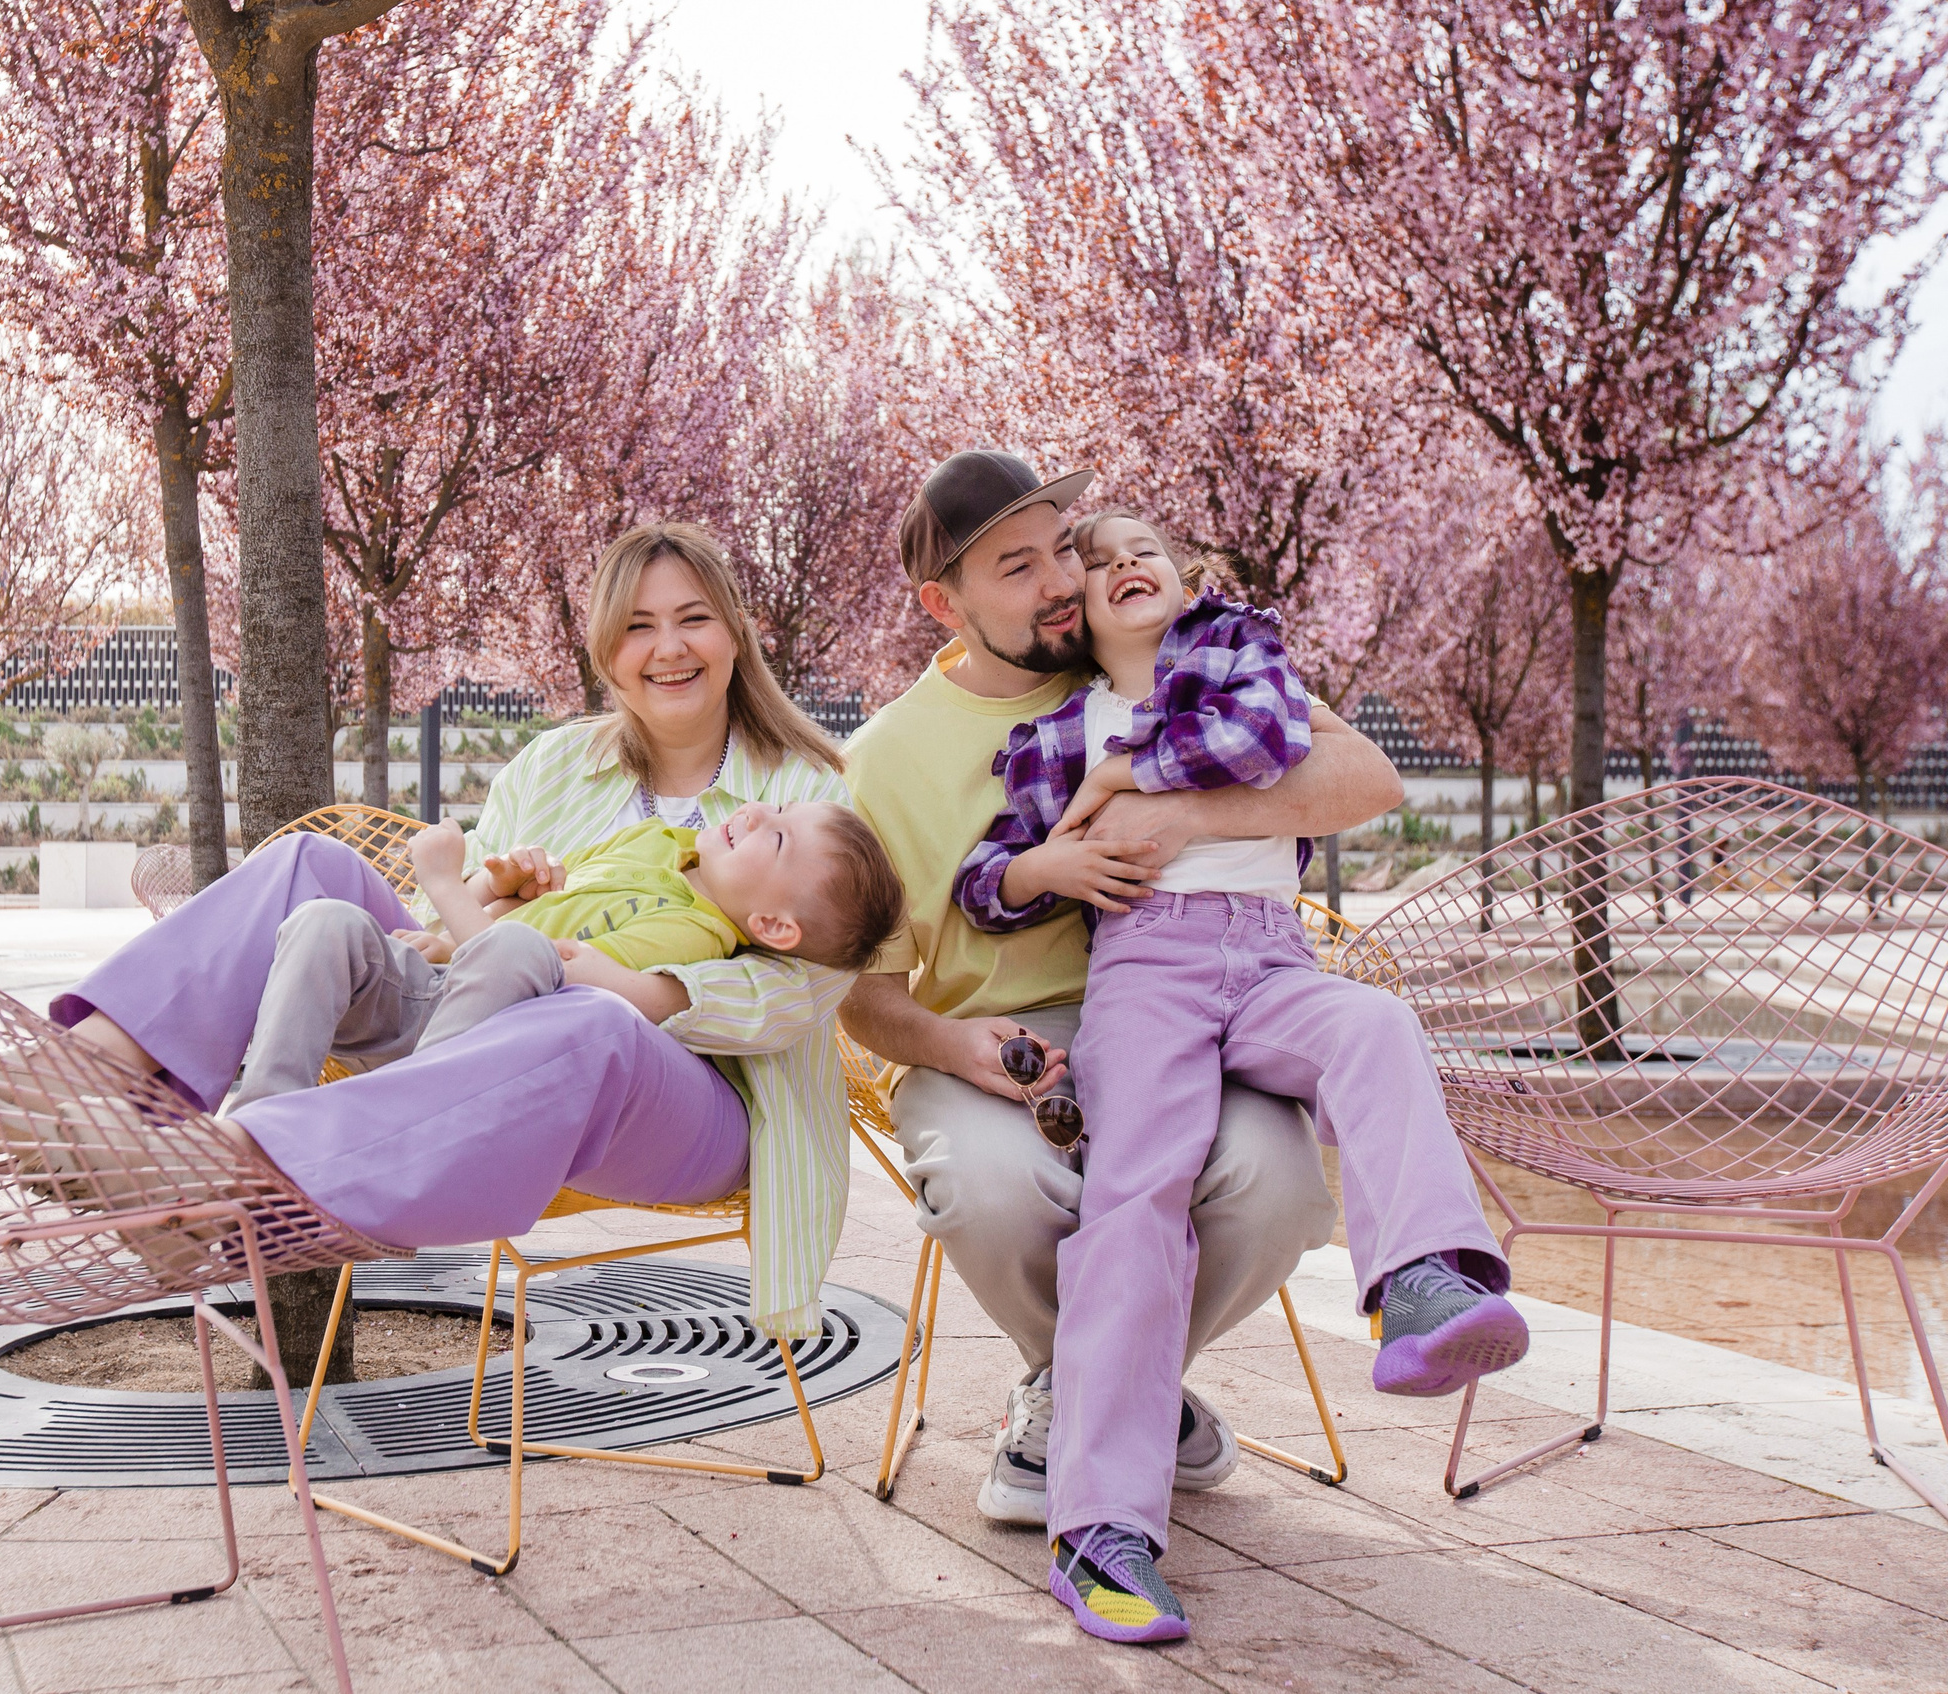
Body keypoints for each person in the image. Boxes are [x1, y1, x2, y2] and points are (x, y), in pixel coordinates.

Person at [0, 521, 868, 1341]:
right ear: (606, 648)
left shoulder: (808, 789)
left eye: (694, 618)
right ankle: (76, 1084)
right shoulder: (556, 769)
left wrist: (636, 986)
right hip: (483, 1047)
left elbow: (816, 986)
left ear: (736, 632)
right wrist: (491, 891)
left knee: (587, 1022)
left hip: (696, 1104)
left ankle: (219, 1170)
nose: (670, 647)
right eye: (640, 624)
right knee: (315, 873)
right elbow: (456, 946)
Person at [957, 507, 1524, 1646]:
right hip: (1144, 967)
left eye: (1144, 551)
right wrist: (1041, 864)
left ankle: (1420, 1283)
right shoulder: (1052, 734)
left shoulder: (1239, 656)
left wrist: (1130, 771)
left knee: (1374, 1027)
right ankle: (1101, 1530)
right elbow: (982, 875)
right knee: (1133, 1200)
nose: (1122, 564)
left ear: (1188, 578)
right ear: (1073, 604)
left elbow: (1264, 739)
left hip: (1270, 949)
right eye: (1097, 556)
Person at [839, 451, 1402, 1532]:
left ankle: (1095, 1397)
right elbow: (864, 997)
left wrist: (1181, 813)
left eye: (1064, 546)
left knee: (1276, 1185)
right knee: (997, 1188)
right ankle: (1101, 1389)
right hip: (997, 1042)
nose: (1060, 580)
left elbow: (1364, 779)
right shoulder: (881, 759)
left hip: (1201, 1002)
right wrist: (954, 1047)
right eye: (1016, 566)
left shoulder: (1162, 652)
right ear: (940, 602)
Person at [223, 803, 903, 1111]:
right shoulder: (655, 841)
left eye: (777, 839)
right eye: (776, 808)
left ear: (773, 926)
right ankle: (262, 1120)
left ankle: (398, 1124)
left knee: (518, 952)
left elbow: (544, 969)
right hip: (430, 1001)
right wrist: (487, 896)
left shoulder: (696, 937)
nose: (755, 815)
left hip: (481, 1048)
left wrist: (441, 885)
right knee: (325, 921)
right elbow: (521, 922)